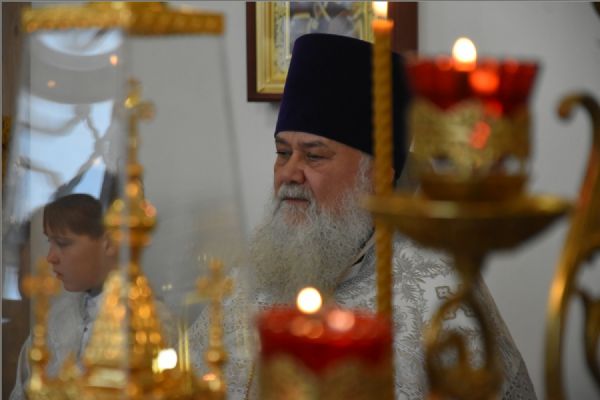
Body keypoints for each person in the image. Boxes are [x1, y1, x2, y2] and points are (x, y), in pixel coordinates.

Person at [188, 33, 536, 399]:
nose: (289, 173)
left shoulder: (439, 291)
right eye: (282, 152)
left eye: (314, 156)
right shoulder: (251, 275)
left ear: (376, 176)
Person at [9, 193, 175, 400]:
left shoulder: (148, 320)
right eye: (50, 242)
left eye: (63, 243)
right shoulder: (55, 319)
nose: (50, 257)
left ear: (108, 243)